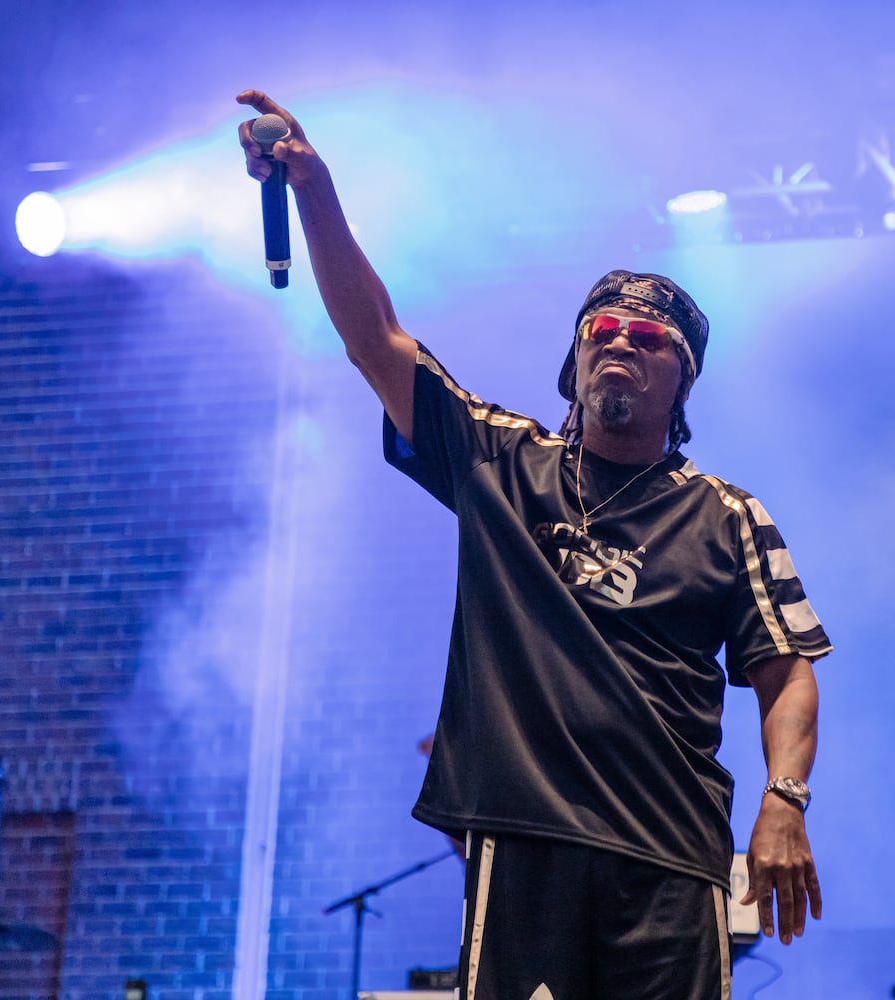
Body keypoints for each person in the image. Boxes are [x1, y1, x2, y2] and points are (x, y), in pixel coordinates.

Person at [237, 89, 832, 1000]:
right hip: (522, 843)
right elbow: (374, 339)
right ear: (574, 361)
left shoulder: (727, 516)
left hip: (667, 854)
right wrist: (313, 192)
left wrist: (782, 804)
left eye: (647, 337)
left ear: (684, 382)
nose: (619, 345)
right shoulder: (499, 460)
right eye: (601, 332)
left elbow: (787, 668)